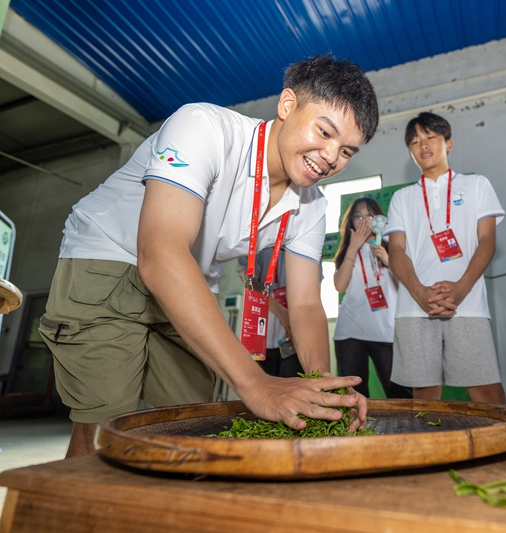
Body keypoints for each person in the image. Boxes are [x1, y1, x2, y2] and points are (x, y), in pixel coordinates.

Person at [38, 54, 379, 457]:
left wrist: (322, 388)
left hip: (188, 284)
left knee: (188, 427)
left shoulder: (311, 205)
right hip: (111, 262)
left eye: (346, 151)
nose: (330, 157)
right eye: (324, 132)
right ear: (288, 105)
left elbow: (305, 303)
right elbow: (160, 252)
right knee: (105, 434)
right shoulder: (202, 127)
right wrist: (255, 383)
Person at [385, 112, 506, 403]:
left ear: (448, 142)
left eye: (430, 137)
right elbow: (396, 250)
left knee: (487, 394)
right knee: (424, 399)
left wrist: (461, 289)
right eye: (414, 141)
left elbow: (487, 241)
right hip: (415, 308)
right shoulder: (402, 198)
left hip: (468, 305)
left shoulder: (477, 185)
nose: (422, 145)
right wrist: (420, 293)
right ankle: (434, 450)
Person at [332, 197, 412, 399]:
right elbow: (339, 285)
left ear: (380, 219)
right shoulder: (347, 252)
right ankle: (358, 431)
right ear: (351, 222)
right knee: (354, 395)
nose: (364, 221)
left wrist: (389, 259)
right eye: (358, 216)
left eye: (369, 215)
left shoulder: (395, 247)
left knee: (400, 393)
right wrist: (352, 247)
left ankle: (405, 431)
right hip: (350, 332)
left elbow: (409, 285)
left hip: (386, 331)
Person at [236, 246, 305, 378]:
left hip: (292, 340)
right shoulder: (259, 242)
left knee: (291, 389)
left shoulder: (303, 246)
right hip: (259, 337)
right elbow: (250, 282)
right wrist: (282, 314)